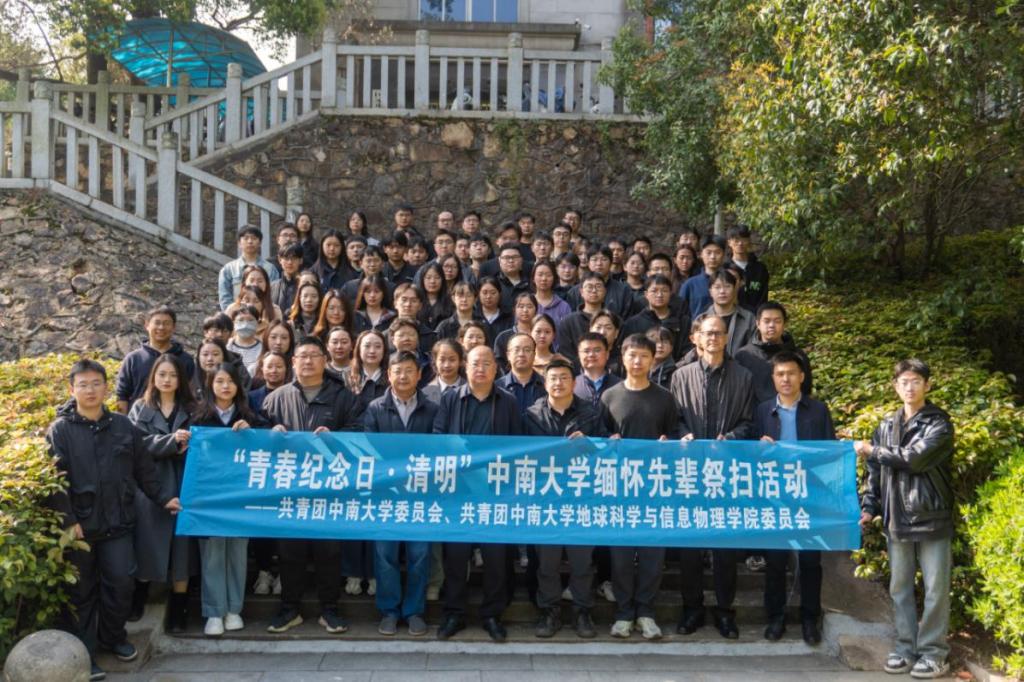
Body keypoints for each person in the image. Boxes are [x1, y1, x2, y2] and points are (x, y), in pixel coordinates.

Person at [47, 359, 181, 681]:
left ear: (106, 387)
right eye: (83, 384)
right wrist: (69, 521)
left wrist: (163, 498)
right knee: (82, 592)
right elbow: (55, 481)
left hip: (119, 523)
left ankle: (113, 637)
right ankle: (85, 652)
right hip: (81, 527)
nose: (90, 390)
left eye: (96, 383)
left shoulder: (123, 426)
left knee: (121, 583)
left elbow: (144, 469)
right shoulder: (60, 430)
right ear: (72, 389)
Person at [855, 359, 955, 679]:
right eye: (904, 382)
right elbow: (875, 474)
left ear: (927, 385)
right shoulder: (886, 425)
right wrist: (870, 506)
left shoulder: (939, 423)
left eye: (916, 381)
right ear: (895, 386)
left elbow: (914, 458)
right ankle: (904, 648)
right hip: (896, 518)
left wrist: (873, 450)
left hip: (932, 517)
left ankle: (934, 653)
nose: (909, 387)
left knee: (935, 588)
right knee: (900, 587)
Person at [262, 336, 363, 635]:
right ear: (293, 362)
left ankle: (329, 610)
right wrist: (269, 432)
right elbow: (257, 435)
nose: (307, 361)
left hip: (329, 490)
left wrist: (336, 438)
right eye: (302, 356)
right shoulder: (277, 398)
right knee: (289, 551)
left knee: (328, 552)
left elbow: (359, 432)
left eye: (313, 356)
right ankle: (289, 609)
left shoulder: (343, 397)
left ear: (324, 360)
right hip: (289, 489)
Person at [671, 313, 755, 640]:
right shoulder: (681, 376)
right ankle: (691, 608)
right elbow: (673, 418)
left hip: (726, 471)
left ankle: (724, 611)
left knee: (724, 546)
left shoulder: (743, 377)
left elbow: (749, 422)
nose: (713, 338)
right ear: (696, 337)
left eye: (719, 333)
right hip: (690, 471)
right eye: (707, 333)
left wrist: (731, 438)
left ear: (726, 338)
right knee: (690, 546)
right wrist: (683, 434)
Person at [433, 346, 522, 642]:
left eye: (486, 363)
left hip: (495, 492)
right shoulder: (450, 398)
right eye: (475, 363)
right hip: (459, 491)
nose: (480, 368)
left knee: (495, 557)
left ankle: (492, 614)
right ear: (465, 367)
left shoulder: (508, 401)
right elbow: (437, 436)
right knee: (456, 556)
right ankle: (454, 613)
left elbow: (518, 445)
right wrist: (451, 447)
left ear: (496, 369)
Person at [600, 334, 679, 640]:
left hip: (654, 487)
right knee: (620, 553)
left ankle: (646, 612)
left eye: (644, 356)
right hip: (619, 488)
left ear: (652, 359)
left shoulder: (664, 398)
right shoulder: (610, 396)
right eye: (632, 355)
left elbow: (674, 435)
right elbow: (599, 440)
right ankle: (623, 613)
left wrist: (667, 443)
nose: (637, 361)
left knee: (652, 553)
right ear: (623, 358)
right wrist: (609, 444)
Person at [754, 351, 835, 645]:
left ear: (801, 376)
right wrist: (759, 447)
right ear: (773, 379)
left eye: (790, 373)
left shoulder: (818, 410)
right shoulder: (763, 411)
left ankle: (809, 619)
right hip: (775, 496)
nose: (785, 379)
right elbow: (751, 455)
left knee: (810, 560)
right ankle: (775, 617)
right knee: (775, 560)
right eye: (780, 374)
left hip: (809, 495)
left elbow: (830, 452)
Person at [524, 356, 608, 639]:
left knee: (582, 561)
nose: (558, 383)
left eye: (564, 378)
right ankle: (549, 611)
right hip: (545, 499)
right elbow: (522, 455)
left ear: (574, 382)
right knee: (546, 562)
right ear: (544, 383)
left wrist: (590, 445)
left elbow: (605, 450)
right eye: (553, 378)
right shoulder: (532, 415)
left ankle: (582, 611)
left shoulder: (591, 413)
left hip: (581, 498)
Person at [364, 351, 439, 637]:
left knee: (420, 555)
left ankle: (415, 611)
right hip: (386, 495)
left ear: (419, 375)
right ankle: (389, 611)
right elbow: (369, 451)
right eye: (398, 371)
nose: (404, 376)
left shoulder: (432, 409)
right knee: (385, 555)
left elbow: (439, 449)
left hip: (421, 495)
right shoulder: (375, 408)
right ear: (389, 375)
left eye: (409, 370)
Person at [192, 362, 265, 636]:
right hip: (209, 497)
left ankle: (234, 609)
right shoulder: (198, 417)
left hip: (241, 497)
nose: (225, 386)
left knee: (237, 552)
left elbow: (272, 439)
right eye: (219, 381)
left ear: (238, 386)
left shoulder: (250, 416)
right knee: (212, 553)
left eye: (230, 381)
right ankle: (214, 611)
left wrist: (253, 432)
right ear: (210, 384)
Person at [127, 355, 197, 634]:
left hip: (185, 484)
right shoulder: (140, 407)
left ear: (182, 379)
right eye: (162, 374)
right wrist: (171, 442)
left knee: (183, 549)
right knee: (146, 543)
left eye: (173, 375)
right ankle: (138, 596)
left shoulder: (192, 408)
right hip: (150, 486)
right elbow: (135, 445)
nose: (167, 380)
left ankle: (180, 607)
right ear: (153, 377)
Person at [115, 306, 196, 413]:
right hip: (139, 419)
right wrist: (124, 421)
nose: (161, 327)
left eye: (166, 323)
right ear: (147, 325)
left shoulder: (185, 360)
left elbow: (191, 394)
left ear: (174, 327)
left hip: (177, 419)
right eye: (157, 323)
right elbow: (122, 395)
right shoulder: (133, 359)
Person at [735, 301, 813, 405]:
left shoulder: (798, 356)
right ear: (758, 323)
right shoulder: (744, 356)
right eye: (766, 321)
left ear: (784, 324)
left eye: (777, 321)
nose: (771, 325)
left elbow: (806, 393)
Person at [621, 274, 692, 361]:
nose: (659, 295)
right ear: (646, 294)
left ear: (670, 293)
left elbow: (688, 350)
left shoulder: (683, 321)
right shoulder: (633, 323)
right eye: (654, 291)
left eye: (664, 291)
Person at [218, 225, 280, 310]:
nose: (250, 241)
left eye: (254, 238)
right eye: (246, 238)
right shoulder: (228, 269)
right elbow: (225, 300)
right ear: (239, 243)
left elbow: (273, 297)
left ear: (260, 243)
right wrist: (236, 315)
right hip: (236, 316)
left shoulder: (270, 269)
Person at [557, 273, 609, 368]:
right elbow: (565, 352)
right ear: (581, 292)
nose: (594, 290)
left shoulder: (613, 320)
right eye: (589, 287)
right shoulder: (568, 322)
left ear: (605, 291)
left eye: (598, 286)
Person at [704, 270, 756, 357]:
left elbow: (755, 350)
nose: (722, 291)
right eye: (717, 287)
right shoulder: (702, 319)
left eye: (727, 286)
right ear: (710, 292)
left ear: (735, 289)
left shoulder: (749, 319)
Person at [496, 332, 546, 413]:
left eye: (527, 350)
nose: (521, 354)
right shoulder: (497, 387)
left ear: (534, 355)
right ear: (508, 355)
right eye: (516, 350)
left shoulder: (546, 385)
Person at [679, 235, 727, 319]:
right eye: (708, 253)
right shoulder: (690, 284)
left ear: (723, 255)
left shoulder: (730, 282)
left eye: (717, 252)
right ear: (701, 254)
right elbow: (680, 312)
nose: (712, 257)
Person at [573, 332, 621, 411]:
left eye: (597, 350)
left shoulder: (620, 386)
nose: (591, 355)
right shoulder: (571, 386)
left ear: (607, 354)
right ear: (579, 355)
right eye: (586, 351)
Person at [727, 226, 770, 312]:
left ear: (749, 241)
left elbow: (763, 296)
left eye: (743, 239)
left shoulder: (760, 268)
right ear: (729, 242)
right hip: (731, 314)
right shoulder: (725, 268)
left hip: (756, 314)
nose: (740, 243)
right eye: (736, 240)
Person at [422, 338, 466, 405]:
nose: (447, 365)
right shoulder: (425, 394)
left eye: (452, 360)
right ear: (435, 361)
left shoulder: (471, 389)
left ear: (460, 361)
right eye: (442, 360)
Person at [531, 259, 572, 326]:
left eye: (548, 275)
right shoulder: (527, 304)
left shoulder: (564, 307)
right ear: (533, 278)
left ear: (554, 278)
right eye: (540, 275)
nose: (544, 279)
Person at [226, 305, 263, 375]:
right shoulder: (226, 347)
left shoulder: (263, 348)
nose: (245, 324)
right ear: (233, 323)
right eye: (241, 320)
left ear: (257, 323)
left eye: (250, 320)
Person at [272, 243, 304, 313]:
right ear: (279, 260)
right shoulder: (272, 287)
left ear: (301, 260)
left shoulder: (305, 286)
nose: (290, 262)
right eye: (286, 258)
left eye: (294, 258)